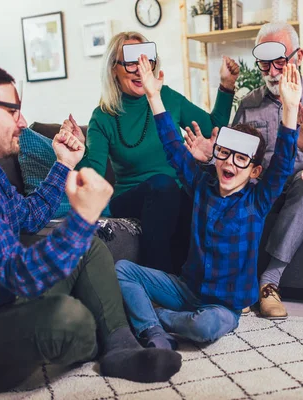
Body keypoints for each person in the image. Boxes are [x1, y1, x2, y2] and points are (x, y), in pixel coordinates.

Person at [0, 62, 181, 400]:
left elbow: (30, 216)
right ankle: (96, 338)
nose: (22, 122)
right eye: (14, 110)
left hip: (4, 302)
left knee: (91, 246)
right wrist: (82, 217)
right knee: (71, 320)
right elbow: (19, 273)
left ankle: (120, 348)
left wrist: (64, 164)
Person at [115, 55, 301, 348]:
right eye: (224, 153)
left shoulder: (258, 199)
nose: (230, 163)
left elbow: (283, 162)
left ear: (254, 171)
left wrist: (290, 110)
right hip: (186, 290)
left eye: (241, 158)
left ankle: (155, 319)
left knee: (203, 327)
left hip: (224, 306)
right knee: (122, 270)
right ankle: (152, 328)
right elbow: (172, 146)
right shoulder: (203, 184)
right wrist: (153, 95)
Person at [80, 31, 239, 274]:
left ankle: (199, 282)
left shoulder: (166, 98)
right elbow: (95, 177)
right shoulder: (102, 116)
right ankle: (156, 281)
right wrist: (78, 150)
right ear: (114, 69)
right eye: (131, 62)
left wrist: (227, 86)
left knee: (197, 196)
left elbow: (213, 126)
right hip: (130, 198)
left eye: (145, 61)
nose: (138, 69)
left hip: (173, 196)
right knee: (164, 185)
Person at [231, 22, 303, 319]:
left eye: (280, 62)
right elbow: (232, 160)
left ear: (299, 56)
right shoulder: (249, 104)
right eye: (264, 63)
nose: (272, 72)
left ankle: (269, 283)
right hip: (266, 189)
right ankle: (234, 281)